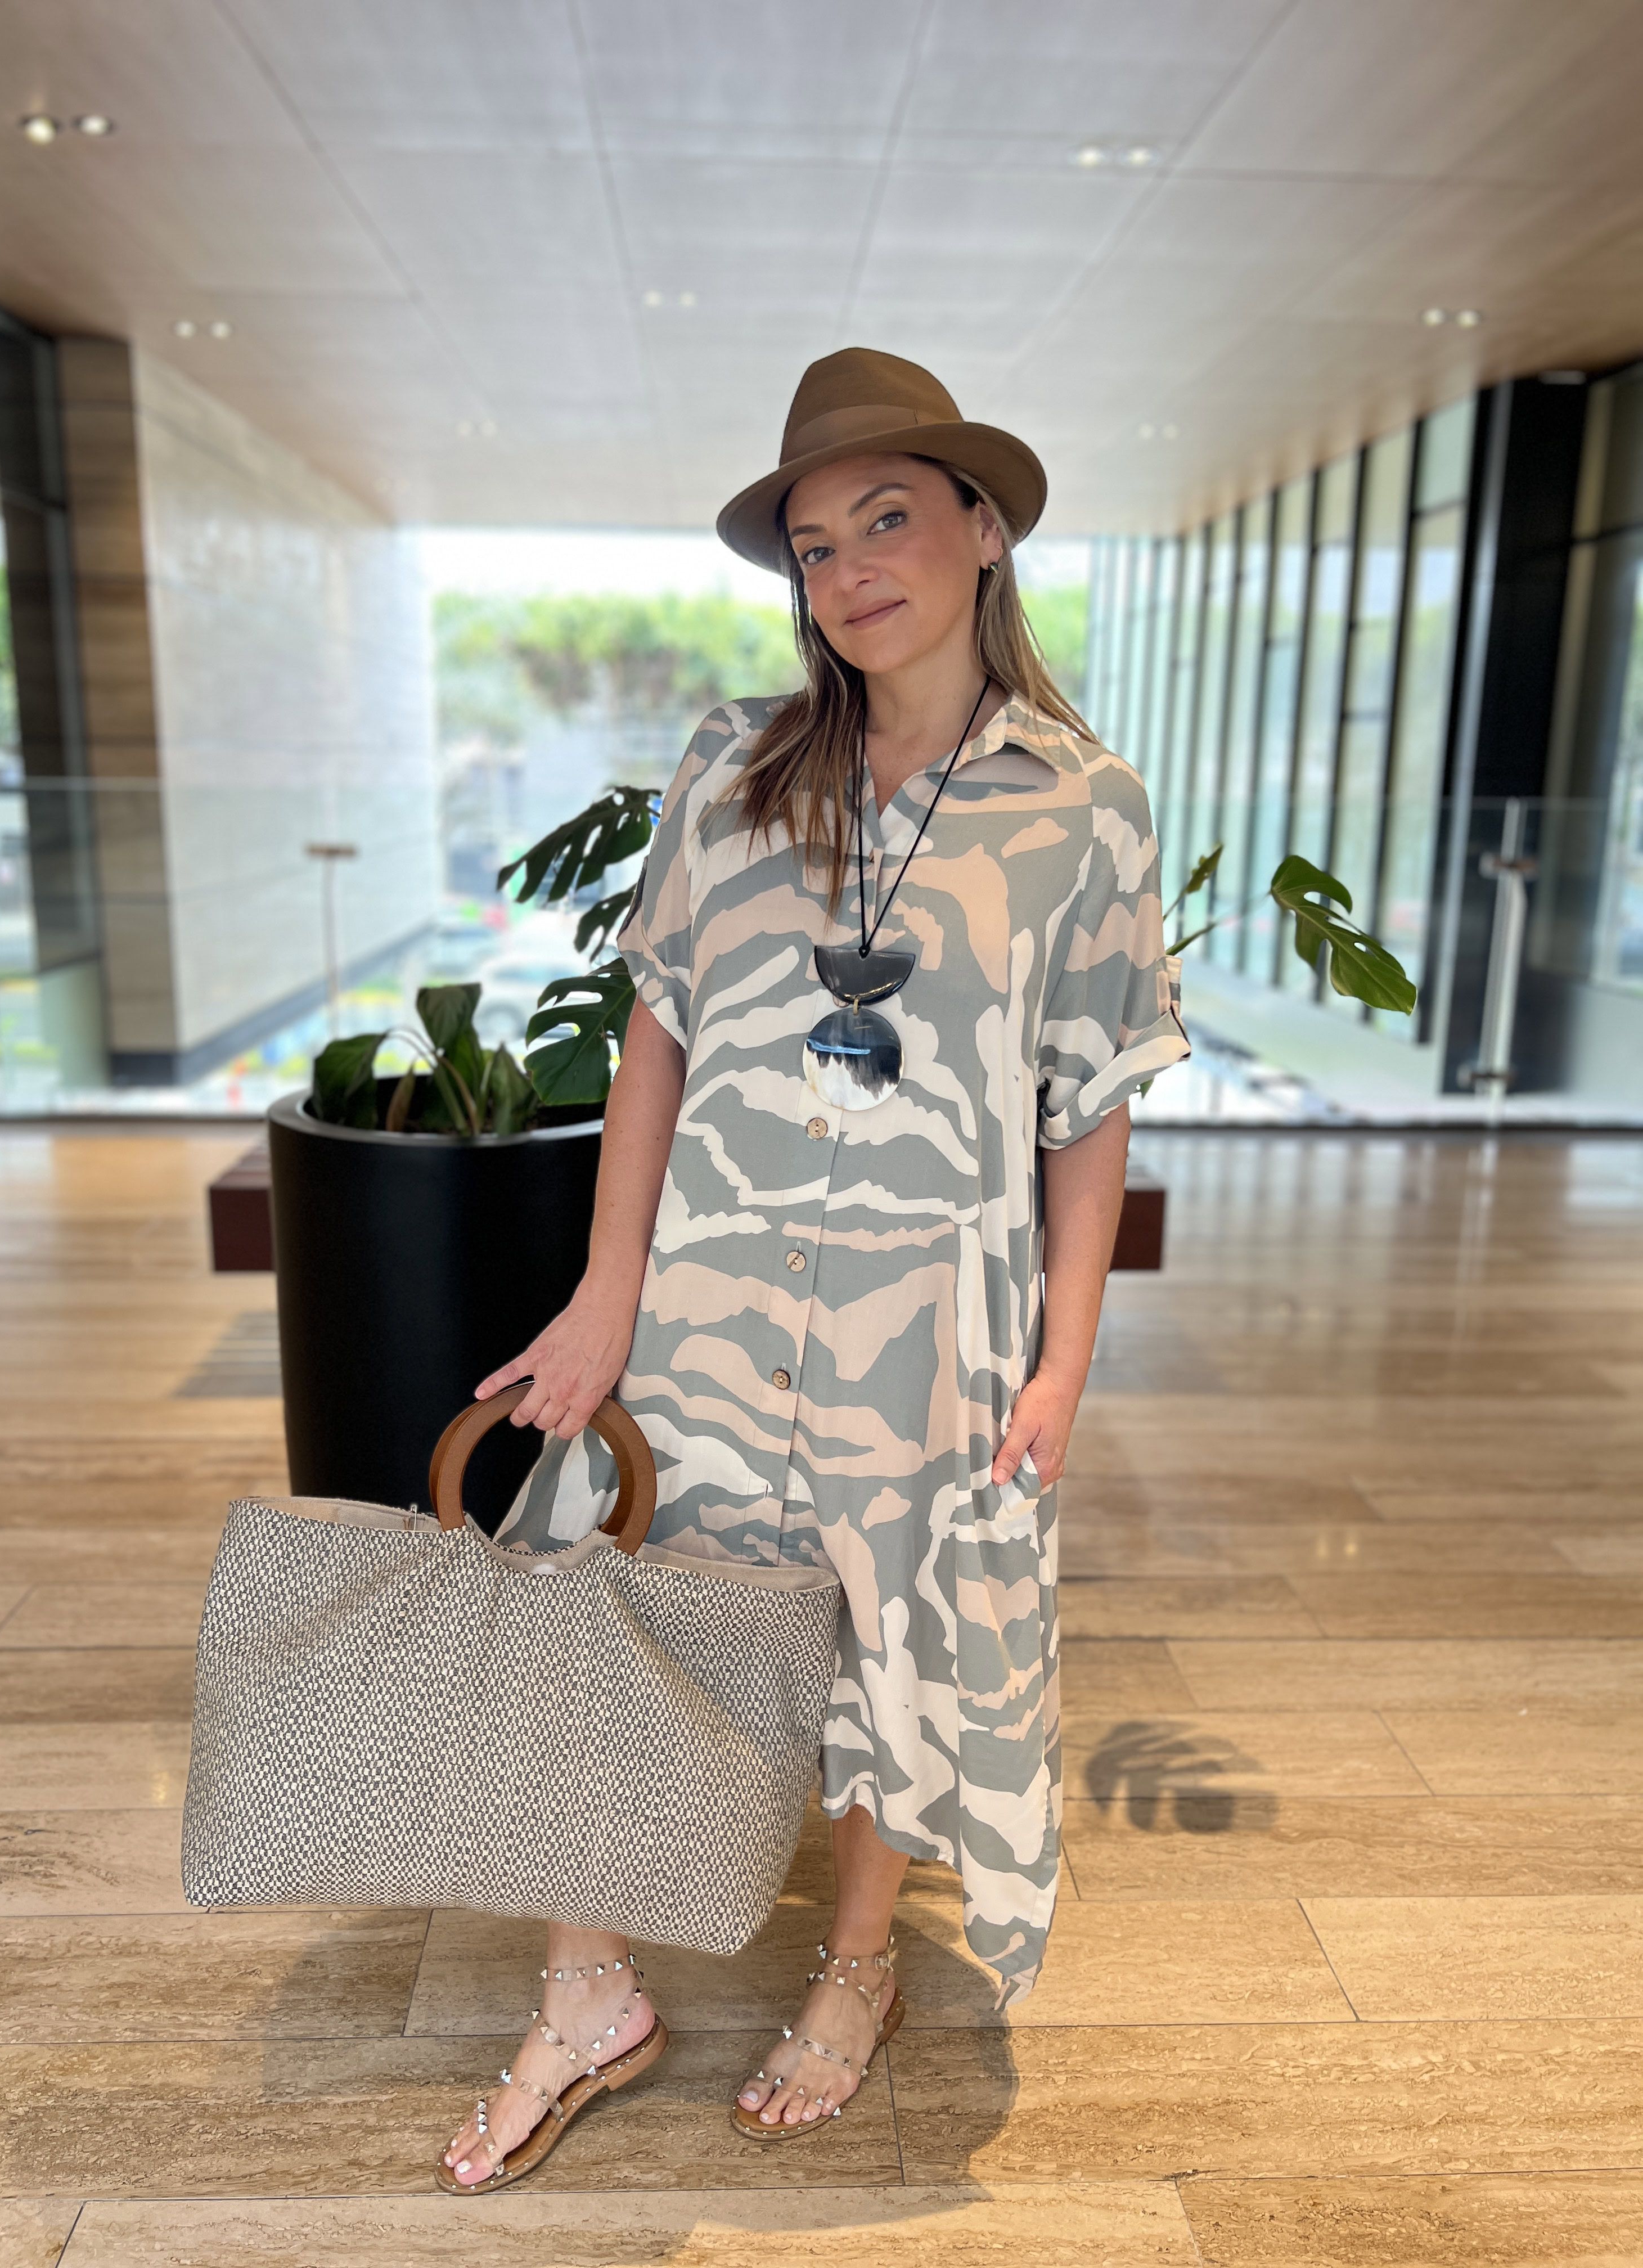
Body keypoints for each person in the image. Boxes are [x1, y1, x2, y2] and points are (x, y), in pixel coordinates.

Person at [440, 346, 1189, 2188]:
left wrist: (1062, 1364)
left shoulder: (1083, 808)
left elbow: (1088, 1111)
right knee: (605, 1614)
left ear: (983, 530)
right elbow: (658, 1034)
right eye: (814, 542)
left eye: (888, 518)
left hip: (930, 1320)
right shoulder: (732, 767)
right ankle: (585, 1992)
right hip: (704, 1296)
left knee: (895, 1636)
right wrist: (607, 1291)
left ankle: (858, 1972)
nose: (850, 568)